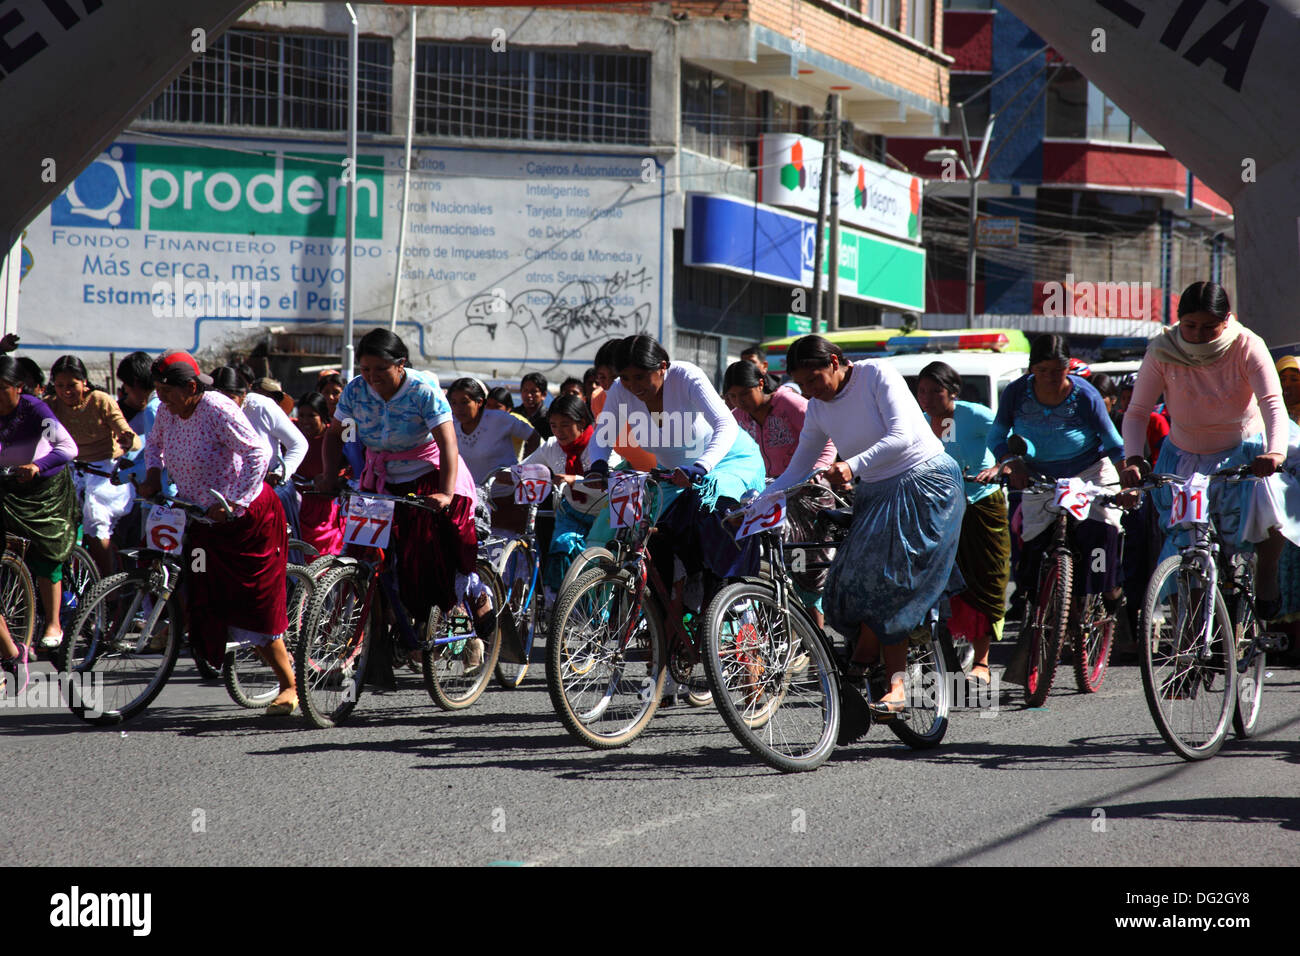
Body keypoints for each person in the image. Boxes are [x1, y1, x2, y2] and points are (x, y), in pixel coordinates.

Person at [767, 336, 965, 716]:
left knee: (892, 580)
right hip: (875, 493)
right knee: (845, 582)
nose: (810, 391)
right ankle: (863, 664)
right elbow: (798, 466)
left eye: (814, 380)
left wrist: (852, 465)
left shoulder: (876, 373)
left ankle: (894, 683)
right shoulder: (818, 408)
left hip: (926, 482)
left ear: (836, 362)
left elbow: (902, 435)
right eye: (802, 385)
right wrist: (759, 500)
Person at [1120, 282, 1298, 620]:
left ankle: (1266, 575)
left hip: (1245, 452)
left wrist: (1274, 454)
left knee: (1267, 514)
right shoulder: (1162, 349)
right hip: (1183, 458)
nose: (1198, 334)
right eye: (1190, 325)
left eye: (1208, 327)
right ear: (1178, 321)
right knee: (1185, 546)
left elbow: (1272, 404)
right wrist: (1131, 458)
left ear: (1227, 320)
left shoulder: (1247, 345)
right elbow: (1138, 411)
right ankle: (1188, 639)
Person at [315, 329, 494, 665]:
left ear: (400, 365)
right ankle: (387, 630)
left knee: (431, 559)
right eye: (365, 370)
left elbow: (447, 444)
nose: (371, 377)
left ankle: (471, 604)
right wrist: (327, 474)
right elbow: (334, 436)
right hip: (379, 479)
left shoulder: (422, 391)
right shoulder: (355, 390)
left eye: (380, 370)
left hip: (427, 476)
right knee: (365, 553)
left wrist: (446, 492)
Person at [138, 351, 297, 715]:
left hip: (245, 518)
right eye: (158, 392)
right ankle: (211, 647)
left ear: (192, 387)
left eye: (167, 392)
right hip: (202, 519)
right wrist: (151, 476)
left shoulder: (217, 409)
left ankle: (288, 685)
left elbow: (257, 453)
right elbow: (154, 447)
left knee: (253, 605)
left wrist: (234, 502)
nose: (161, 400)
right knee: (205, 589)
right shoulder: (166, 409)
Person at [589, 335, 767, 646]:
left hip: (726, 460)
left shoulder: (687, 377)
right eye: (626, 378)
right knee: (654, 539)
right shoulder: (620, 390)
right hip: (675, 475)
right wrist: (598, 464)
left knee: (707, 505)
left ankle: (736, 600)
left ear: (662, 367)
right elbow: (603, 434)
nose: (633, 385)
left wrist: (702, 466)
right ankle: (675, 613)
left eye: (641, 377)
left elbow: (725, 425)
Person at [979, 335, 1125, 634]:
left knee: (1101, 532)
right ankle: (1038, 611)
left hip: (1090, 471)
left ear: (1068, 368)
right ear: (1032, 368)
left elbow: (1113, 443)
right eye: (1041, 370)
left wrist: (1126, 480)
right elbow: (996, 436)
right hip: (1038, 475)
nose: (1049, 377)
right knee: (1033, 545)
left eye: (1057, 370)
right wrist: (1011, 461)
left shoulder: (1086, 396)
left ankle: (1108, 593)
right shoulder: (1016, 393)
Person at [916, 361, 1010, 691]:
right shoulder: (921, 422)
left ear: (953, 392)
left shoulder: (975, 414)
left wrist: (1000, 466)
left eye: (935, 391)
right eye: (922, 391)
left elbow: (1010, 439)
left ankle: (983, 661)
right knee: (939, 578)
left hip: (984, 505)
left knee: (986, 580)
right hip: (943, 508)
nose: (926, 398)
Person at [723, 358, 836, 627]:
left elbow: (827, 440)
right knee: (773, 563)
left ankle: (816, 637)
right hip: (770, 496)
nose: (740, 402)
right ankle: (781, 633)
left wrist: (817, 471)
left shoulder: (791, 405)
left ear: (761, 383)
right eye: (733, 396)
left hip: (809, 495)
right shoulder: (736, 418)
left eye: (745, 393)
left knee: (807, 569)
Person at [0, 355, 79, 649]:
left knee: (46, 554)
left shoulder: (33, 409)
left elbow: (68, 447)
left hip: (44, 490)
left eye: (1, 388)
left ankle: (54, 622)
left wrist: (37, 466)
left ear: (19, 387)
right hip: (8, 484)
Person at [47, 355, 139, 585]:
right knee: (54, 524)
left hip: (102, 472)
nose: (66, 391)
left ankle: (108, 588)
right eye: (60, 386)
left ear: (84, 383)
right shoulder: (50, 405)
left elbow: (125, 431)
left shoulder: (100, 400)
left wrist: (127, 439)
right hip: (69, 470)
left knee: (95, 521)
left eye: (71, 385)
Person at [517, 394, 619, 591]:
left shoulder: (600, 445)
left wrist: (575, 480)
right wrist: (500, 476)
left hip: (604, 516)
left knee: (594, 566)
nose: (558, 431)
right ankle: (556, 607)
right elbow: (522, 469)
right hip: (571, 512)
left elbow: (610, 482)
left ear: (581, 423)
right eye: (554, 425)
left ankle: (593, 615)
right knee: (561, 549)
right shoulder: (551, 447)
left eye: (565, 424)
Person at [446, 377, 539, 486]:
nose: (458, 408)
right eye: (454, 403)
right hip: (469, 494)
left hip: (504, 495)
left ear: (479, 402)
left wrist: (520, 471)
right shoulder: (450, 423)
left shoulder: (499, 418)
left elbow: (534, 437)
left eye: (464, 402)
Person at [589, 339, 656, 471]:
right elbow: (602, 444)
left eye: (615, 377)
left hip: (667, 475)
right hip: (633, 475)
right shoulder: (597, 399)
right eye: (602, 377)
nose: (609, 384)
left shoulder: (648, 398)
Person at [292, 392, 344, 555]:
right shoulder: (291, 435)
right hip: (298, 508)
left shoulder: (333, 439)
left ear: (323, 416)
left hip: (327, 510)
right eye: (302, 415)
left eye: (311, 416)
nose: (305, 421)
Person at [520, 372, 552, 439]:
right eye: (525, 390)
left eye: (533, 391)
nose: (529, 395)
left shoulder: (550, 419)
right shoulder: (513, 415)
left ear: (544, 395)